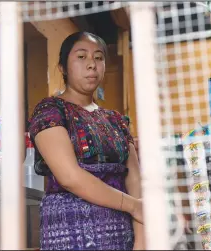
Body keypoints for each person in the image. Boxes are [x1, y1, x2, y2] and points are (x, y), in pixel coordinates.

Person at [29, 31, 144, 250]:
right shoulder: (50, 111)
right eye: (81, 57)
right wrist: (133, 206)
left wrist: (142, 240)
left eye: (98, 57)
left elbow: (134, 179)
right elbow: (69, 177)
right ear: (62, 67)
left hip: (121, 234)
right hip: (69, 233)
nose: (92, 64)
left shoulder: (116, 120)